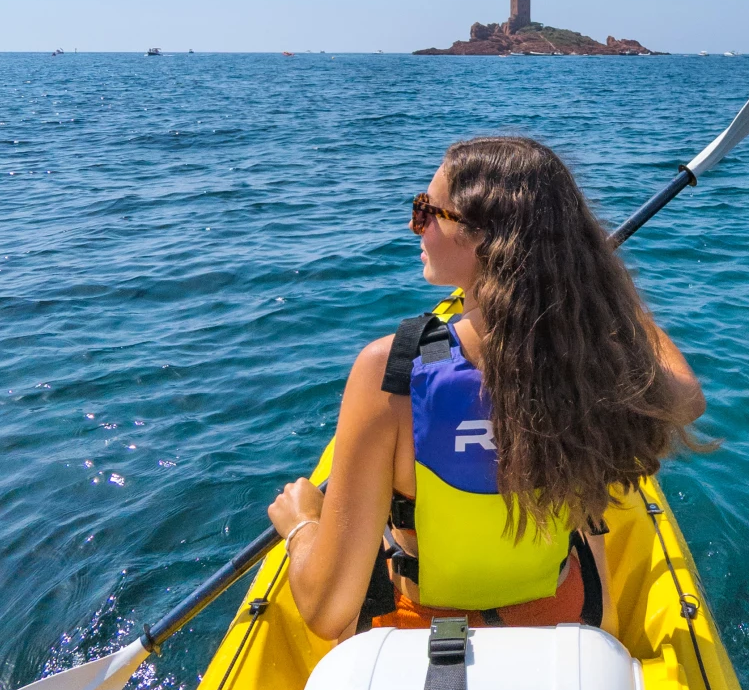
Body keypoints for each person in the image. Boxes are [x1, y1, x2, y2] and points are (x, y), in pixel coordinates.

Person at [268, 136, 705, 640]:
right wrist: (598, 291)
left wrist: (302, 525)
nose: (416, 226)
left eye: (426, 212)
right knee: (590, 516)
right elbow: (687, 398)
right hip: (567, 610)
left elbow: (325, 611)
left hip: (422, 628)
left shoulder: (390, 369)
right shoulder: (600, 360)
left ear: (481, 239)